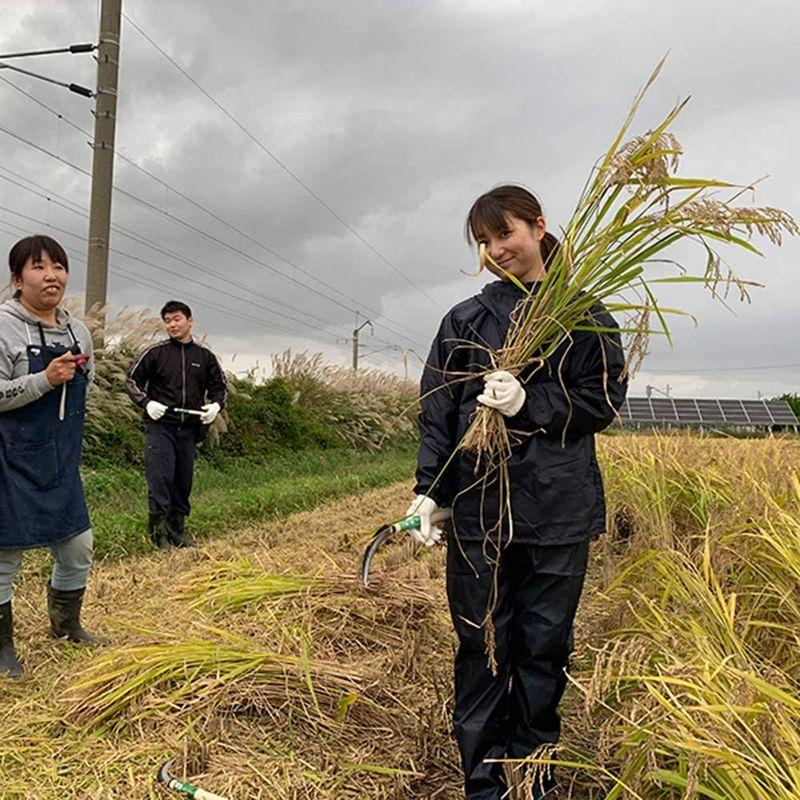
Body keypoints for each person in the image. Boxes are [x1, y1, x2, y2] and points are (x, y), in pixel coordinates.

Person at [407, 185, 627, 799]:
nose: (496, 249)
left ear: (538, 227)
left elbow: (603, 401)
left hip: (558, 511)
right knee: (482, 647)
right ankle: (484, 785)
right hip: (481, 511)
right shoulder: (465, 320)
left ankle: (532, 779)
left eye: (505, 234)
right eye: (483, 242)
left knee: (542, 648)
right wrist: (432, 492)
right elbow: (440, 412)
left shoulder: (582, 314)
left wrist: (533, 402)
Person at [0, 235, 101, 679]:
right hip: (8, 459)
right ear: (17, 279)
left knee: (78, 546)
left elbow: (88, 383)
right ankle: (3, 648)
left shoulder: (78, 330)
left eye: (58, 266)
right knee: (5, 557)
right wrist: (43, 380)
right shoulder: (4, 325)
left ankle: (66, 625)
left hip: (60, 459)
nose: (52, 275)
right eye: (38, 267)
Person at [125, 300, 227, 550]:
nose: (172, 325)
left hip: (189, 430)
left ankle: (178, 531)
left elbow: (220, 387)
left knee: (182, 481)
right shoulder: (155, 353)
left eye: (176, 319)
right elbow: (131, 381)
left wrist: (215, 406)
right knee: (160, 479)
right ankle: (159, 534)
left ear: (190, 321)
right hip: (161, 428)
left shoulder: (204, 357)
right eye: (167, 321)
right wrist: (146, 403)